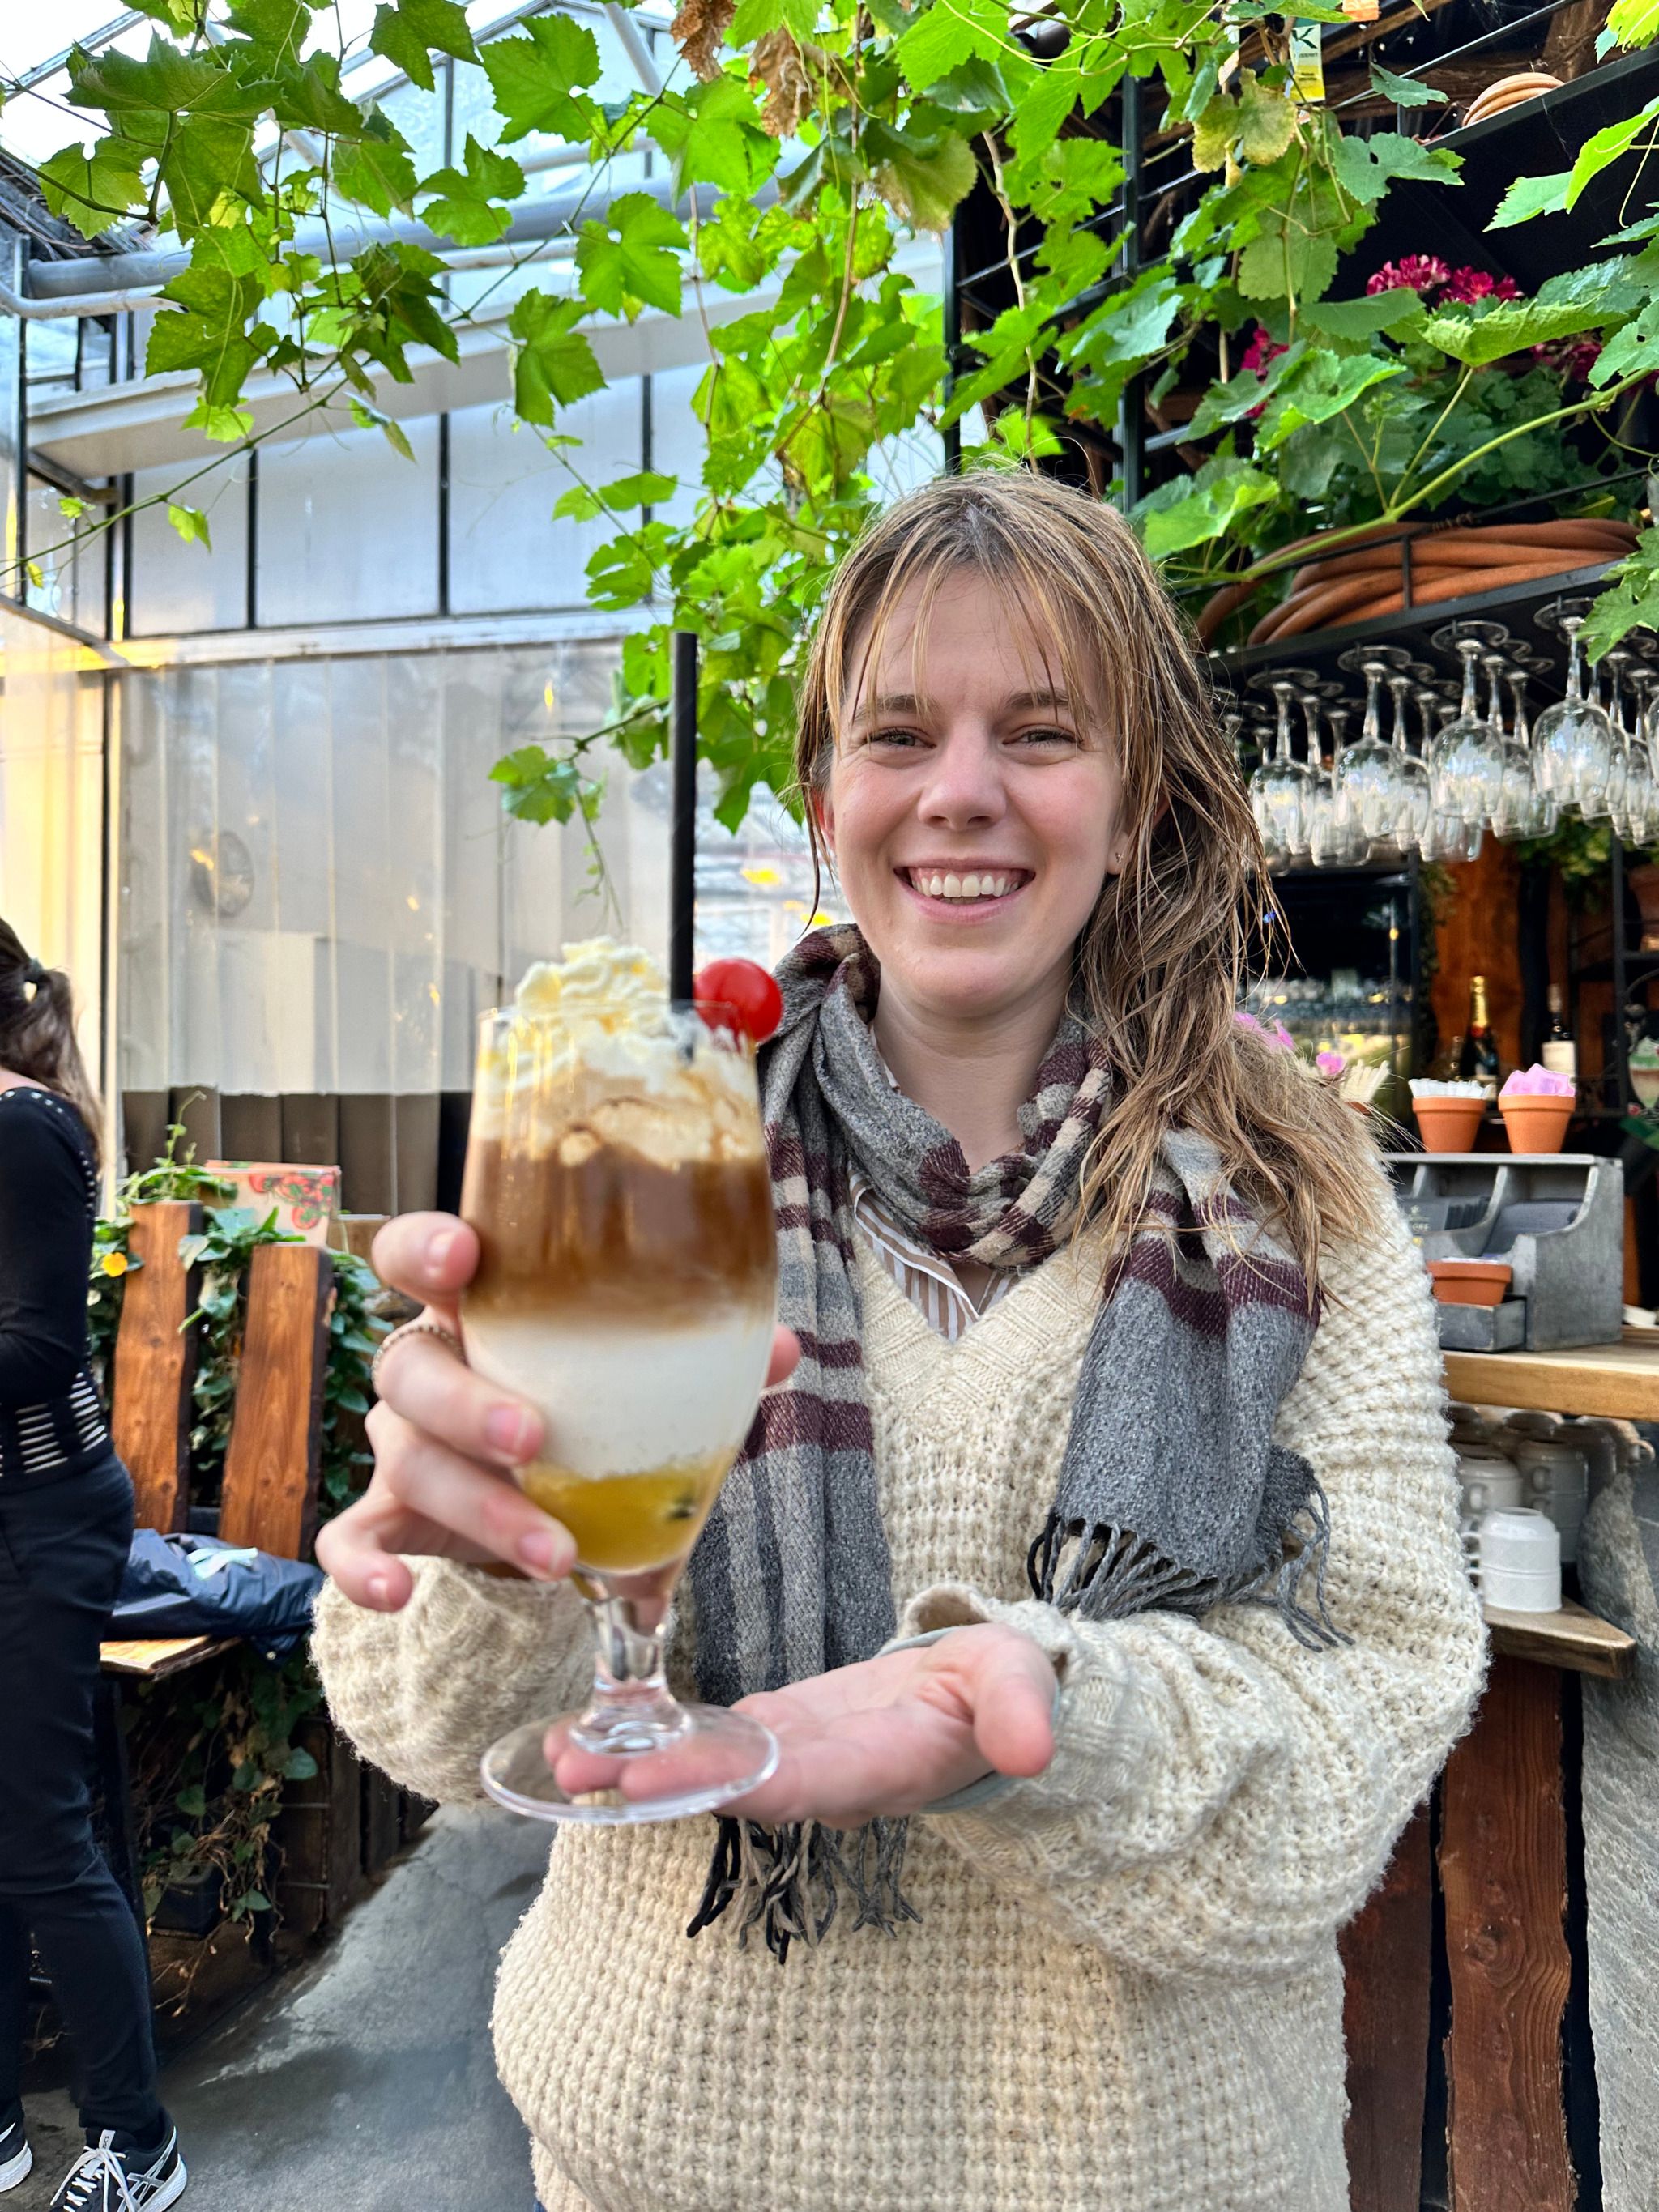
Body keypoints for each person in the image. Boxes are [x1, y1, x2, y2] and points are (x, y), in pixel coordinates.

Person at [312, 471, 1486, 2212]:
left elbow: (1374, 1705)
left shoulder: (1290, 1198)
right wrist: (475, 1557)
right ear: (820, 794)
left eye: (1038, 732)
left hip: (1159, 2175)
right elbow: (449, 1737)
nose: (960, 794)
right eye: (895, 735)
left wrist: (1036, 1721)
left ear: (1136, 791)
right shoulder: (646, 1152)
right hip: (665, 2160)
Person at [0, 923, 187, 2212]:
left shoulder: (20, 1129)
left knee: (39, 1837)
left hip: (43, 1516)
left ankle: (139, 2144)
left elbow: (36, 1349)